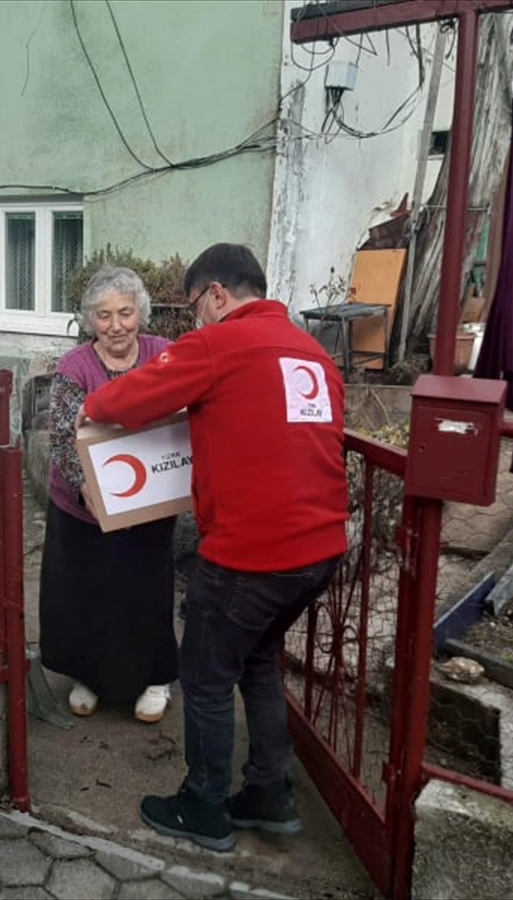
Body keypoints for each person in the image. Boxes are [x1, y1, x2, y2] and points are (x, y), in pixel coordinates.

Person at [79, 244, 348, 852]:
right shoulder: (312, 350)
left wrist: (97, 405)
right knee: (256, 662)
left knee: (203, 676)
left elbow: (114, 401)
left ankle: (202, 806)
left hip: (253, 552)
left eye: (195, 304)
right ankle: (268, 795)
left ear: (217, 295)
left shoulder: (219, 343)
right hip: (321, 550)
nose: (195, 317)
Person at [39, 266, 179, 724]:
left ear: (141, 312)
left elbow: (187, 412)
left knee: (146, 590)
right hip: (85, 507)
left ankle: (155, 678)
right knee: (89, 592)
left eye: (125, 312)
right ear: (90, 320)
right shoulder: (75, 365)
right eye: (104, 315)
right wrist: (91, 493)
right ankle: (90, 677)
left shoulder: (164, 355)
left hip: (149, 502)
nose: (116, 325)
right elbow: (62, 436)